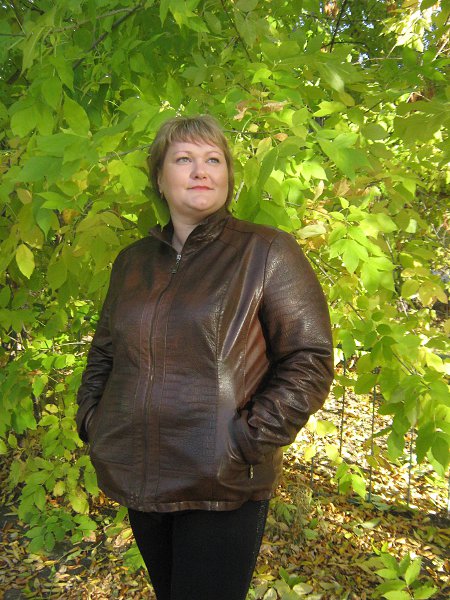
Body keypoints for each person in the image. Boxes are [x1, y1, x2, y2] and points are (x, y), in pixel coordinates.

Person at [76, 114, 333, 600]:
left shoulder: (265, 251)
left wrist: (245, 442)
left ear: (228, 176)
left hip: (222, 483)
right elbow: (105, 352)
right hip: (138, 472)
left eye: (214, 159)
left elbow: (309, 359)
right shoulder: (132, 262)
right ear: (159, 178)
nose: (201, 170)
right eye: (184, 159)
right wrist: (93, 419)